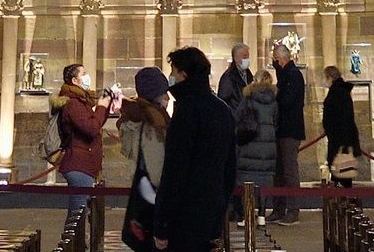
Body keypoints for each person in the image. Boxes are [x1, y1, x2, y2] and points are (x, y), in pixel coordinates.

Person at [154, 45, 237, 252]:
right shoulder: (223, 110)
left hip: (184, 214)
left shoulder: (186, 111)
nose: (170, 77)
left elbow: (175, 170)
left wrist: (162, 224)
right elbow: (230, 167)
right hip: (212, 210)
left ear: (183, 75)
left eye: (173, 71)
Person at [52, 61, 108, 241]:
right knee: (77, 215)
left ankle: (75, 245)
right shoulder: (73, 102)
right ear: (75, 80)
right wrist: (101, 107)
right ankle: (71, 245)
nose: (87, 76)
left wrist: (104, 107)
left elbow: (94, 122)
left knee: (79, 213)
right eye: (83, 73)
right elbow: (91, 128)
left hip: (85, 163)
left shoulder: (81, 100)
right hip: (78, 163)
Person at [119, 67, 171, 250]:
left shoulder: (134, 115)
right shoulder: (153, 122)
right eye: (164, 93)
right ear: (155, 94)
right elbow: (156, 168)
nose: (168, 98)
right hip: (153, 195)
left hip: (140, 190)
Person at [234, 65, 279, 221]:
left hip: (250, 143)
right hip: (268, 145)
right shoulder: (273, 100)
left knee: (248, 180)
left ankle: (248, 215)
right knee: (265, 180)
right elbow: (276, 121)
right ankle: (261, 215)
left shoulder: (249, 96)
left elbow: (238, 116)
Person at [270, 43, 306, 224]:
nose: (275, 63)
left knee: (290, 172)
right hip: (281, 130)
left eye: (276, 60)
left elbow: (286, 101)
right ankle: (279, 208)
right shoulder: (285, 76)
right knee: (279, 172)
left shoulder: (293, 76)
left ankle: (292, 210)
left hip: (290, 130)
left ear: (283, 58)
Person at [321, 66, 361, 181]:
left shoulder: (337, 92)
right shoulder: (341, 91)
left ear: (330, 77)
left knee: (341, 174)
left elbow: (337, 117)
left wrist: (331, 131)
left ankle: (342, 197)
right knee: (342, 174)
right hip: (342, 139)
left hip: (339, 140)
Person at [217, 44, 252, 111]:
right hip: (235, 116)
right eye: (244, 57)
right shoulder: (228, 77)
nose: (247, 60)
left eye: (248, 57)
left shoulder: (248, 75)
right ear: (236, 58)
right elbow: (222, 100)